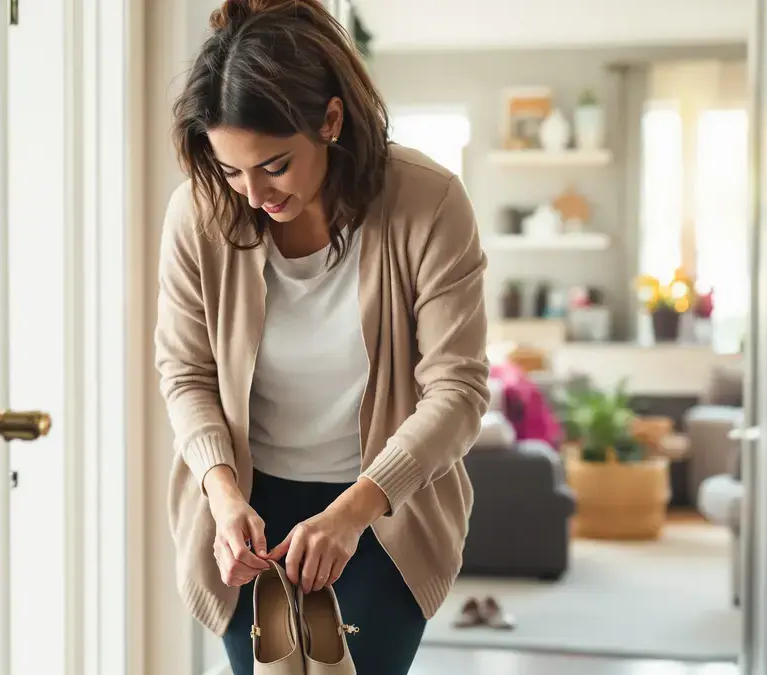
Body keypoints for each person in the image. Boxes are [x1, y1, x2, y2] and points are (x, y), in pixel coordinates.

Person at [154, 1, 491, 673]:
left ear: (331, 121)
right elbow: (184, 371)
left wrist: (353, 511)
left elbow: (458, 391)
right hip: (248, 502)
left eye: (274, 165)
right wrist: (223, 498)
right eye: (230, 169)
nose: (252, 193)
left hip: (384, 507)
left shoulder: (428, 203)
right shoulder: (199, 211)